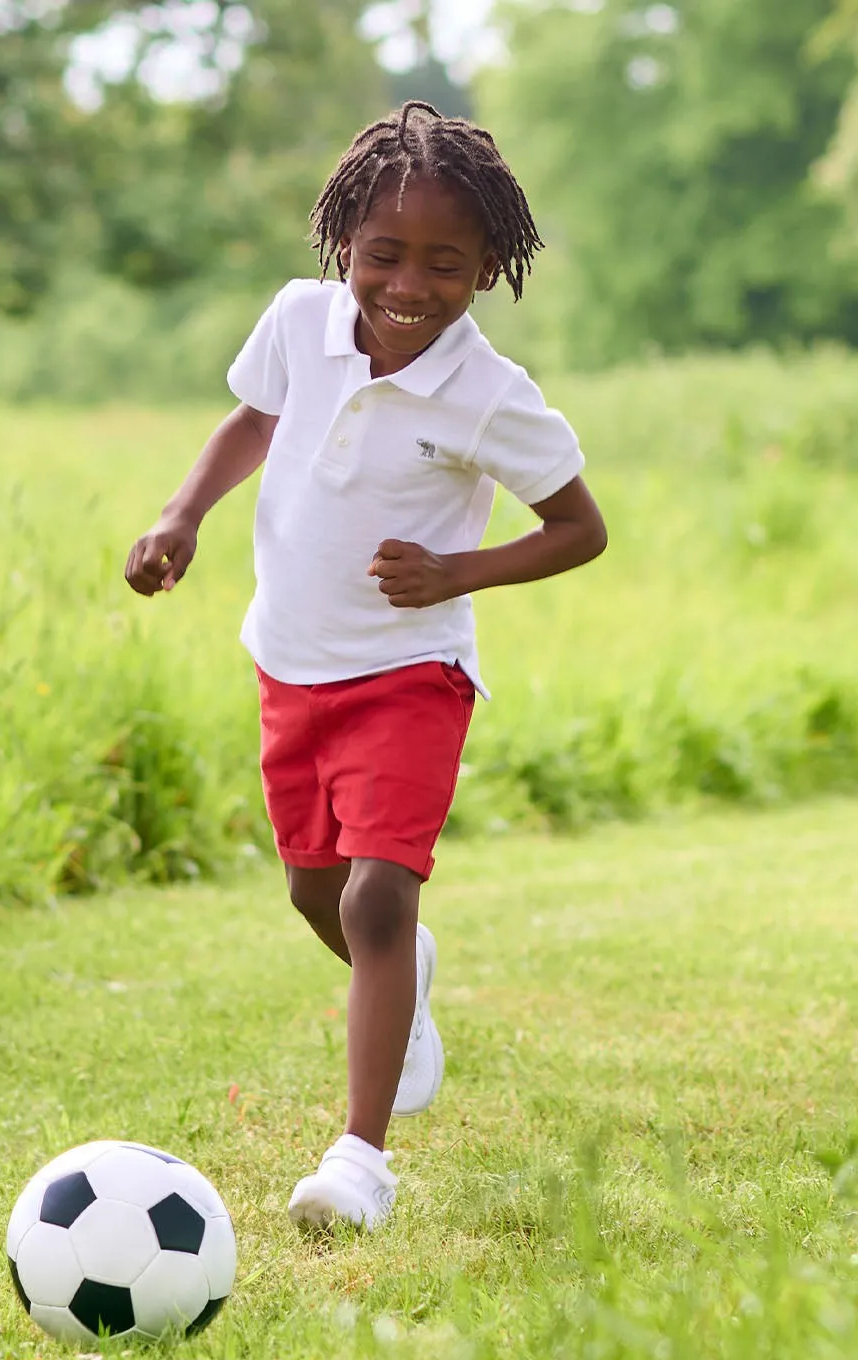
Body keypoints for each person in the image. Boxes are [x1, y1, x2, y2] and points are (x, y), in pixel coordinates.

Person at [124, 100, 607, 1231]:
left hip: (410, 672)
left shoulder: (494, 394)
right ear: (343, 242)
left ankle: (360, 1158)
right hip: (290, 661)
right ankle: (409, 982)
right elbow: (251, 419)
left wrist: (459, 572)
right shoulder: (299, 321)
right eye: (384, 254)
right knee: (315, 891)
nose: (409, 284)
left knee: (378, 894)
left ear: (490, 266)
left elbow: (580, 528)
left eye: (446, 262)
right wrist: (181, 514)